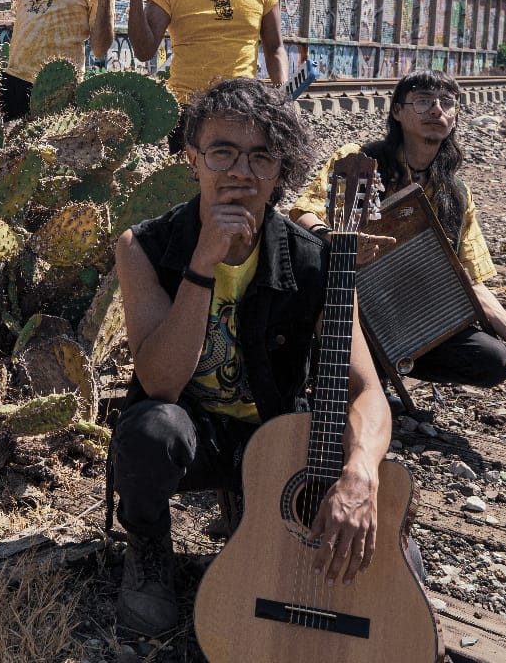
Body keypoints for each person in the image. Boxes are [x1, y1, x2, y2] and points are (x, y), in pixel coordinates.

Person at [108, 78, 391, 637]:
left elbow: (367, 391)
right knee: (149, 431)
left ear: (282, 170)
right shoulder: (144, 247)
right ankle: (148, 547)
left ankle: (257, 509)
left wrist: (360, 475)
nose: (240, 171)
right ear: (193, 158)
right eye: (222, 152)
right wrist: (203, 264)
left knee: (364, 489)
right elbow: (160, 381)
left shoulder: (316, 261)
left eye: (261, 156)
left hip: (278, 447)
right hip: (192, 437)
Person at [289, 69, 506, 388]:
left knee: (493, 360)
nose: (436, 109)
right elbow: (303, 213)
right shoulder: (359, 160)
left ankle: (388, 367)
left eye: (446, 102)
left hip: (409, 314)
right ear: (397, 111)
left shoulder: (456, 194)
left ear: (454, 117)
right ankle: (343, 369)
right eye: (423, 101)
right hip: (349, 306)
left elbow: (470, 281)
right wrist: (337, 241)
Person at [126, 0, 288, 152]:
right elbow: (144, 50)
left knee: (238, 183)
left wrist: (282, 97)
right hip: (188, 111)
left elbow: (275, 48)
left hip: (243, 105)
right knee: (189, 189)